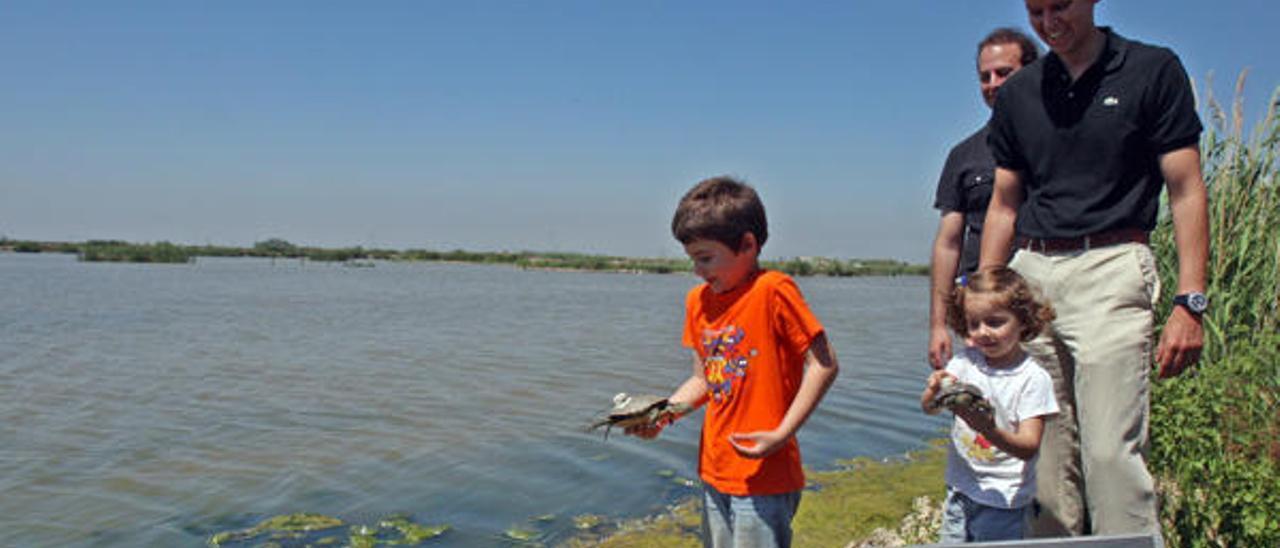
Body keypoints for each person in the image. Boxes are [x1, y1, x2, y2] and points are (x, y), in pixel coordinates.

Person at [980, 0, 1210, 536]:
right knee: (1042, 459)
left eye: (1060, 7)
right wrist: (984, 299)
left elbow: (1186, 188)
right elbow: (1003, 204)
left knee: (1110, 456)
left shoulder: (1152, 70)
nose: (1049, 23)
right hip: (1030, 272)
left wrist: (1190, 299)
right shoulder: (1019, 92)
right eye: (1036, 12)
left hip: (1112, 264)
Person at [626, 176, 839, 548]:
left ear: (747, 245)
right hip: (714, 468)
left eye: (706, 259)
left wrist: (781, 434)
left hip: (764, 473)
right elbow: (704, 380)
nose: (698, 271)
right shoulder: (698, 302)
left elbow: (824, 364)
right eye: (693, 259)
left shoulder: (773, 290)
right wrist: (662, 414)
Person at [921, 267, 1059, 543]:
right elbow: (931, 408)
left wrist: (987, 429)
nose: (983, 332)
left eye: (995, 322)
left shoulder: (1032, 378)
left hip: (1005, 500)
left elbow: (1028, 447)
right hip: (960, 490)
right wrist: (932, 390)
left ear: (1022, 321)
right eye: (974, 324)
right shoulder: (964, 362)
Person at [929, 28, 1040, 370]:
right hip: (980, 305)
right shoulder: (963, 155)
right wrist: (938, 324)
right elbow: (948, 242)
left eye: (1004, 73)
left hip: (1037, 293)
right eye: (984, 77)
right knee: (981, 408)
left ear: (1033, 71)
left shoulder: (1057, 141)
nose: (993, 84)